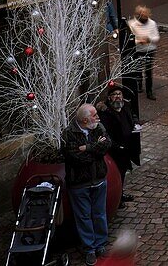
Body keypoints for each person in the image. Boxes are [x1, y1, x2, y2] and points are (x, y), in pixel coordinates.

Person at [62, 104, 111, 265]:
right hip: (79, 184)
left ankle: (101, 244)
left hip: (98, 180)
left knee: (99, 214)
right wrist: (95, 152)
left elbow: (106, 145)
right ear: (84, 120)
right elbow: (75, 158)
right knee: (83, 217)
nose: (98, 117)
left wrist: (88, 147)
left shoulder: (98, 127)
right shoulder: (69, 134)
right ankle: (89, 248)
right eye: (94, 115)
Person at [98, 86, 140, 206]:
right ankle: (116, 198)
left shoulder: (125, 106)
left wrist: (136, 123)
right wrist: (116, 146)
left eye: (119, 94)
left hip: (126, 147)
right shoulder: (105, 112)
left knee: (122, 172)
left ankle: (120, 194)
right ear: (110, 98)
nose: (117, 96)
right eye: (114, 94)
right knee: (114, 173)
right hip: (114, 149)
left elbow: (133, 116)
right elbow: (106, 133)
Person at [127, 6, 159, 100]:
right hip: (137, 50)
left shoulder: (152, 23)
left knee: (148, 72)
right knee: (138, 69)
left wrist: (149, 39)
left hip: (149, 50)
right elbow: (129, 39)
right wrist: (138, 41)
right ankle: (139, 85)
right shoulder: (132, 24)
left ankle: (149, 91)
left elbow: (156, 37)